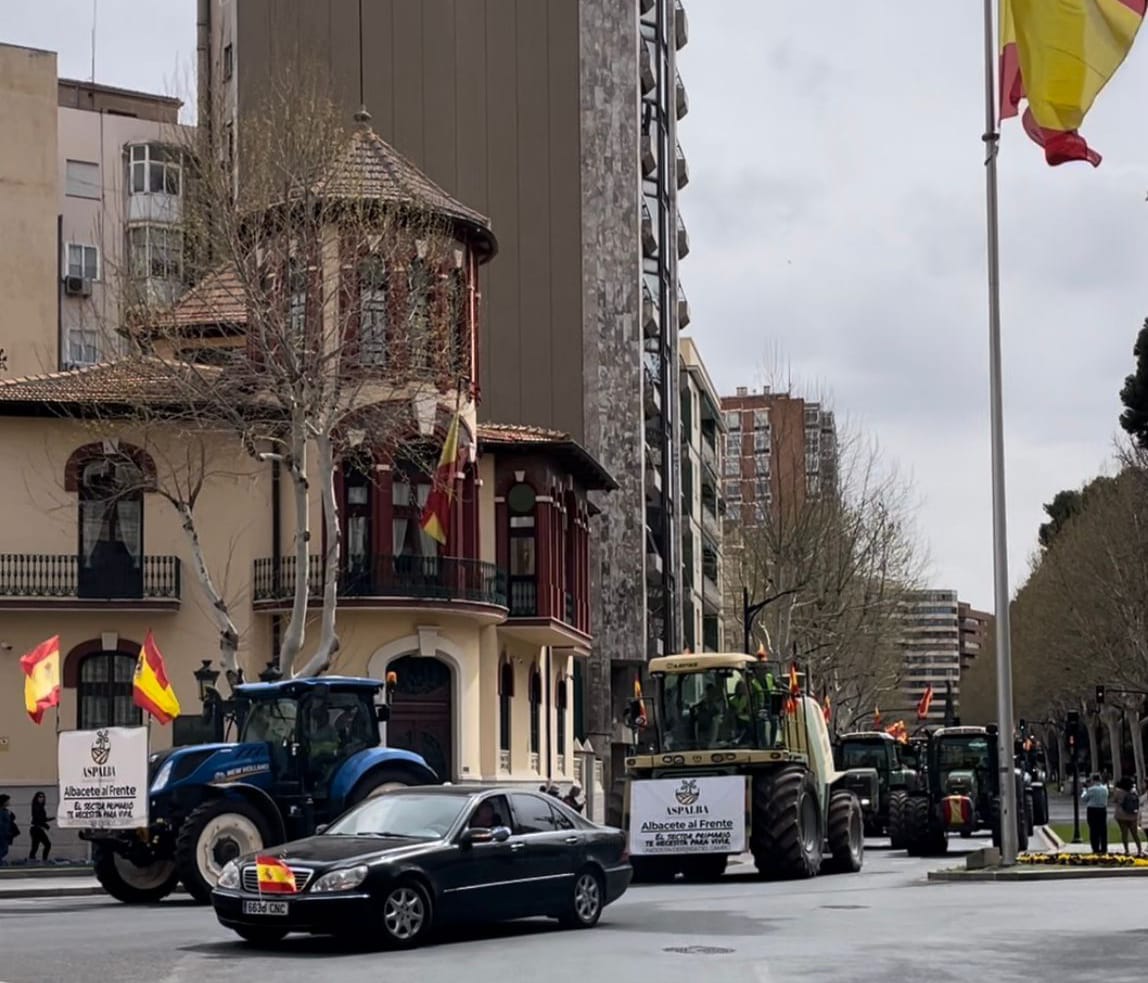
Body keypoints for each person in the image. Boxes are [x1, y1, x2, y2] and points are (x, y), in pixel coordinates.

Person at [1113, 776, 1143, 856]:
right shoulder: (1134, 791)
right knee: (1135, 834)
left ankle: (1127, 850)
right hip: (1133, 815)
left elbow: (1114, 800)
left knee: (1124, 833)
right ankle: (1139, 850)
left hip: (1121, 815)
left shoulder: (1118, 792)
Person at [1081, 773, 1109, 854]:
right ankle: (1104, 848)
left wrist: (1084, 790)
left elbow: (1084, 799)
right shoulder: (1105, 789)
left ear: (1093, 780)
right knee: (1103, 830)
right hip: (1102, 810)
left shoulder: (1091, 789)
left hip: (1092, 810)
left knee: (1093, 829)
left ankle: (1095, 848)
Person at [28, 791, 51, 863]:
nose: (42, 798)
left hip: (36, 828)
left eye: (43, 797)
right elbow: (38, 818)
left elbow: (42, 819)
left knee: (35, 846)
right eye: (40, 797)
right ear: (36, 798)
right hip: (37, 828)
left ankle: (32, 858)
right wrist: (46, 825)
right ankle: (44, 859)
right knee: (47, 844)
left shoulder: (40, 807)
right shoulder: (36, 807)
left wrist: (50, 819)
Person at [0, 794, 16, 865]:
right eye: (7, 800)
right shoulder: (1, 811)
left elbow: (13, 817)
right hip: (3, 833)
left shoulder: (5, 810)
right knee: (4, 849)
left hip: (6, 832)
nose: (9, 802)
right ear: (4, 802)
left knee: (4, 849)